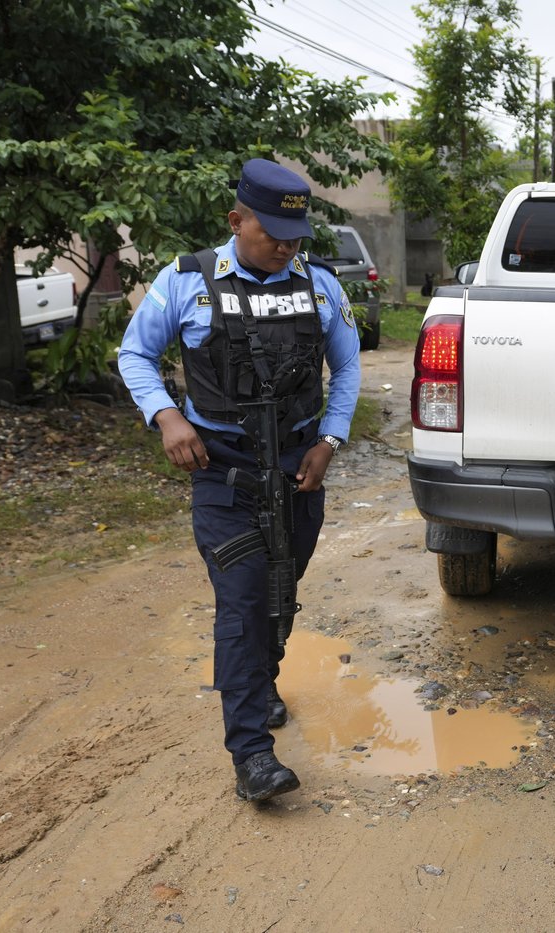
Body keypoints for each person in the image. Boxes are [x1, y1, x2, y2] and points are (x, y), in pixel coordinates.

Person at [118, 158, 360, 803]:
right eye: (273, 234)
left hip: (299, 467)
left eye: (296, 237)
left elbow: (348, 369)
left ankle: (260, 681)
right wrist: (167, 416)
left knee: (282, 587)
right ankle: (252, 752)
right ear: (237, 220)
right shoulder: (186, 281)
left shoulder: (320, 286)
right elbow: (135, 354)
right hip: (223, 473)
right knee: (244, 600)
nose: (286, 247)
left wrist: (331, 442)